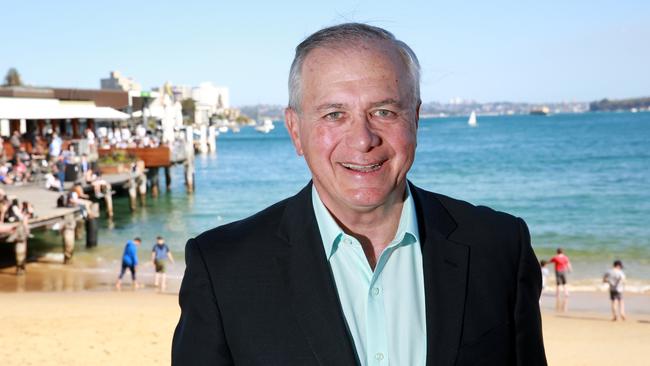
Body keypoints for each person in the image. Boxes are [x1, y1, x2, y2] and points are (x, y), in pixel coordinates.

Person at [172, 23, 546, 365]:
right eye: (334, 114)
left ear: (414, 120)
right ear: (295, 130)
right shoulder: (223, 269)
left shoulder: (498, 247)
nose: (364, 139)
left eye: (384, 111)